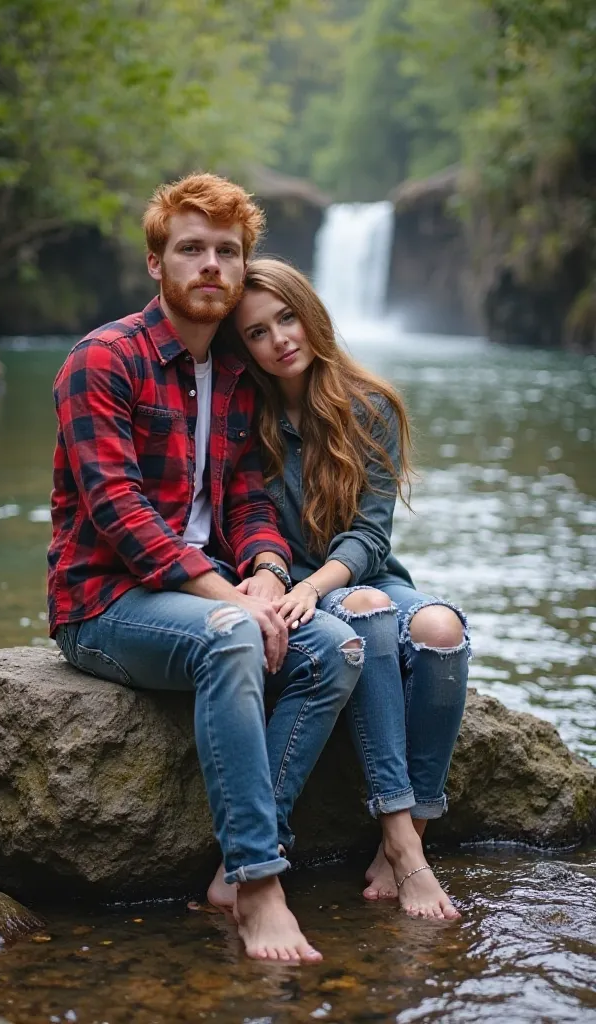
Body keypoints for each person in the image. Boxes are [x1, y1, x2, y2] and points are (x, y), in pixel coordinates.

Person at [47, 175, 364, 962]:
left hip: (207, 596)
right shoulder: (104, 359)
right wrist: (233, 599)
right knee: (232, 637)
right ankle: (261, 887)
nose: (212, 265)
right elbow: (122, 515)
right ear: (157, 264)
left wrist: (264, 568)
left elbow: (250, 495)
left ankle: (231, 866)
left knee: (335, 648)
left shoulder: (232, 368)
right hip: (104, 603)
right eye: (192, 249)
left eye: (228, 251)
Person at [224, 258, 470, 921]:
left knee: (442, 628)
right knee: (365, 613)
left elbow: (371, 538)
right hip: (300, 588)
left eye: (287, 317)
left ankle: (413, 827)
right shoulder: (243, 417)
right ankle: (399, 840)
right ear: (240, 347)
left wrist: (321, 585)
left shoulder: (372, 406)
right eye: (256, 333)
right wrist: (286, 583)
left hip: (358, 576)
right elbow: (250, 527)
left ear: (311, 312)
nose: (279, 338)